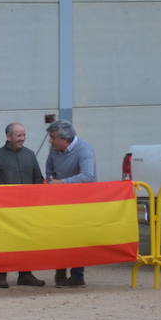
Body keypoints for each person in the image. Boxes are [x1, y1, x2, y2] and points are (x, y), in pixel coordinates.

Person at [0, 122, 46, 288]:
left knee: (26, 240)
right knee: (2, 241)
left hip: (27, 209)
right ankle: (0, 275)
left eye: (24, 135)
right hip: (4, 210)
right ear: (9, 136)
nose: (22, 138)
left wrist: (36, 200)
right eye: (19, 135)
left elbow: (38, 179)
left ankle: (25, 274)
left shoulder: (30, 155)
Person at [44, 119, 97, 287]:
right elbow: (49, 169)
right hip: (60, 201)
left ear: (64, 139)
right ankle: (60, 272)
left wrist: (62, 183)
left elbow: (88, 176)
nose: (50, 141)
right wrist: (51, 180)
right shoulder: (54, 150)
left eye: (52, 137)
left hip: (81, 202)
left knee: (77, 237)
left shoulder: (84, 149)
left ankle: (77, 275)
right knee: (59, 235)